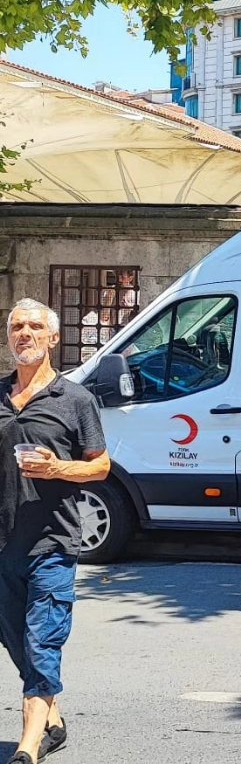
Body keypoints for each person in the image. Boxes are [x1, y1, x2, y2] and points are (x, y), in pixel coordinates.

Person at [0, 298, 111, 764]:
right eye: (16, 327)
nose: (24, 333)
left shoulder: (76, 400)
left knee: (43, 638)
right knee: (15, 638)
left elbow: (101, 466)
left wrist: (59, 468)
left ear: (51, 337)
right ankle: (51, 714)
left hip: (53, 542)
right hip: (4, 543)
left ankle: (27, 747)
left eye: (33, 327)